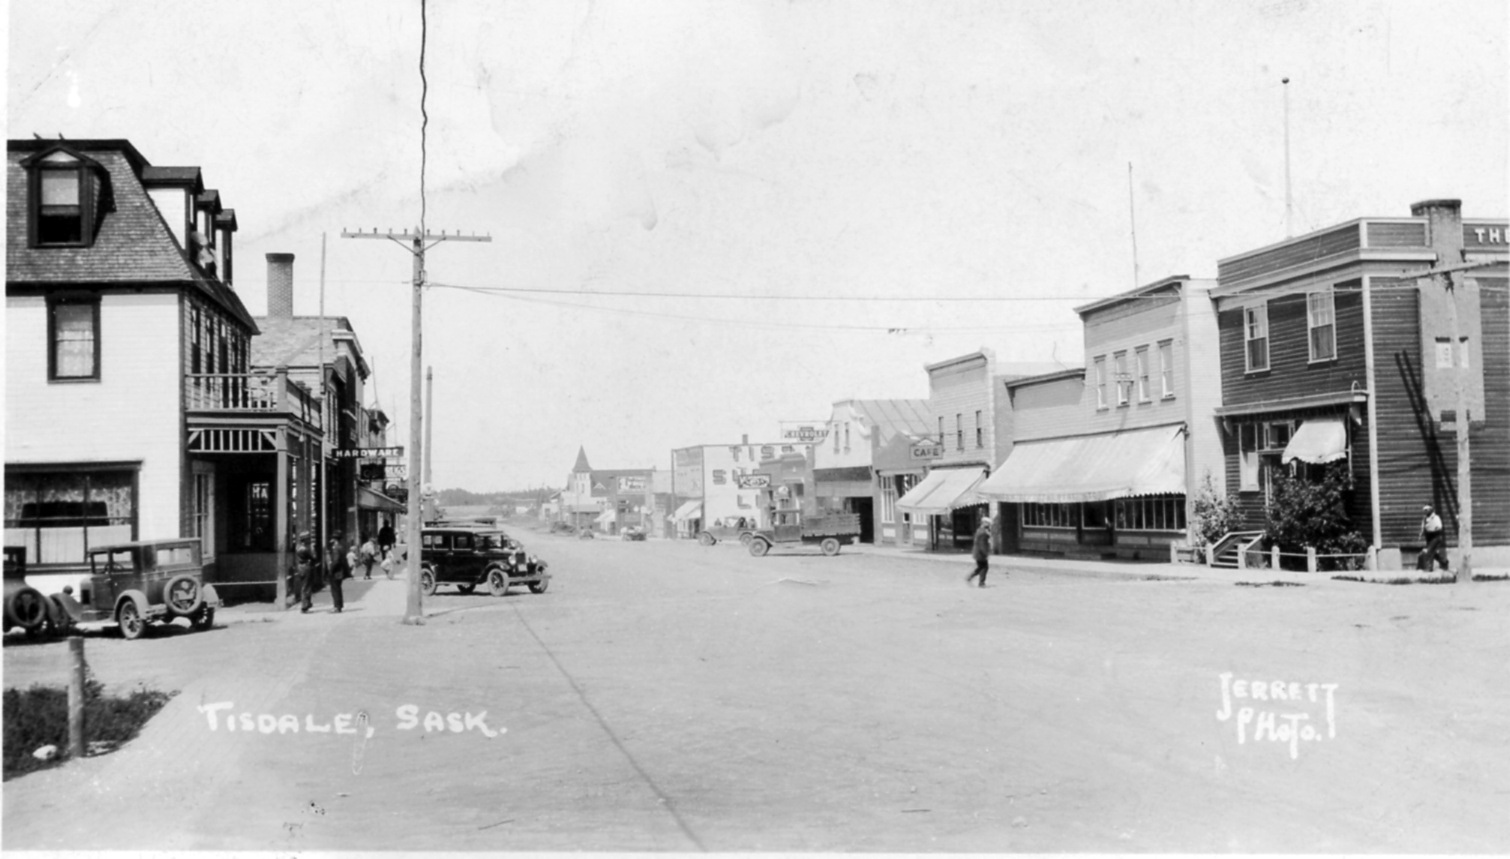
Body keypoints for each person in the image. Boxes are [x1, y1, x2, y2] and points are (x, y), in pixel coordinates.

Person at [1418, 505, 1450, 574]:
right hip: (1429, 538)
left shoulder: (1435, 517)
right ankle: (1444, 562)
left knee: (1429, 551)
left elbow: (1440, 527)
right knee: (1433, 552)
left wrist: (1433, 530)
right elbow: (1423, 527)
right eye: (1424, 510)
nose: (1425, 511)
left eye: (1427, 510)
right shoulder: (1424, 518)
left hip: (1436, 537)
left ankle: (1429, 568)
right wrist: (1421, 534)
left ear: (1431, 510)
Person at [966, 516, 993, 588]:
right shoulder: (983, 533)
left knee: (981, 567)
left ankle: (971, 578)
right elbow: (982, 544)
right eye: (988, 524)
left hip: (978, 552)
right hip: (980, 553)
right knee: (984, 567)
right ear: (984, 523)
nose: (989, 525)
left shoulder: (979, 530)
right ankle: (981, 583)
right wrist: (985, 553)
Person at [325, 531, 348, 613]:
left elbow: (336, 561)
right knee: (338, 588)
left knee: (335, 589)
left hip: (336, 571)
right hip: (340, 570)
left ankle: (337, 607)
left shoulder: (336, 548)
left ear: (334, 539)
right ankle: (339, 605)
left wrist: (331, 570)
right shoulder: (341, 547)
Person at [295, 532, 318, 613]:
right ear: (305, 539)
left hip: (300, 567)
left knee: (304, 585)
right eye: (308, 538)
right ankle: (305, 606)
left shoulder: (298, 547)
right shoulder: (305, 549)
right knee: (306, 586)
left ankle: (307, 603)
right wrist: (313, 550)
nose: (309, 540)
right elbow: (314, 557)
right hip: (306, 566)